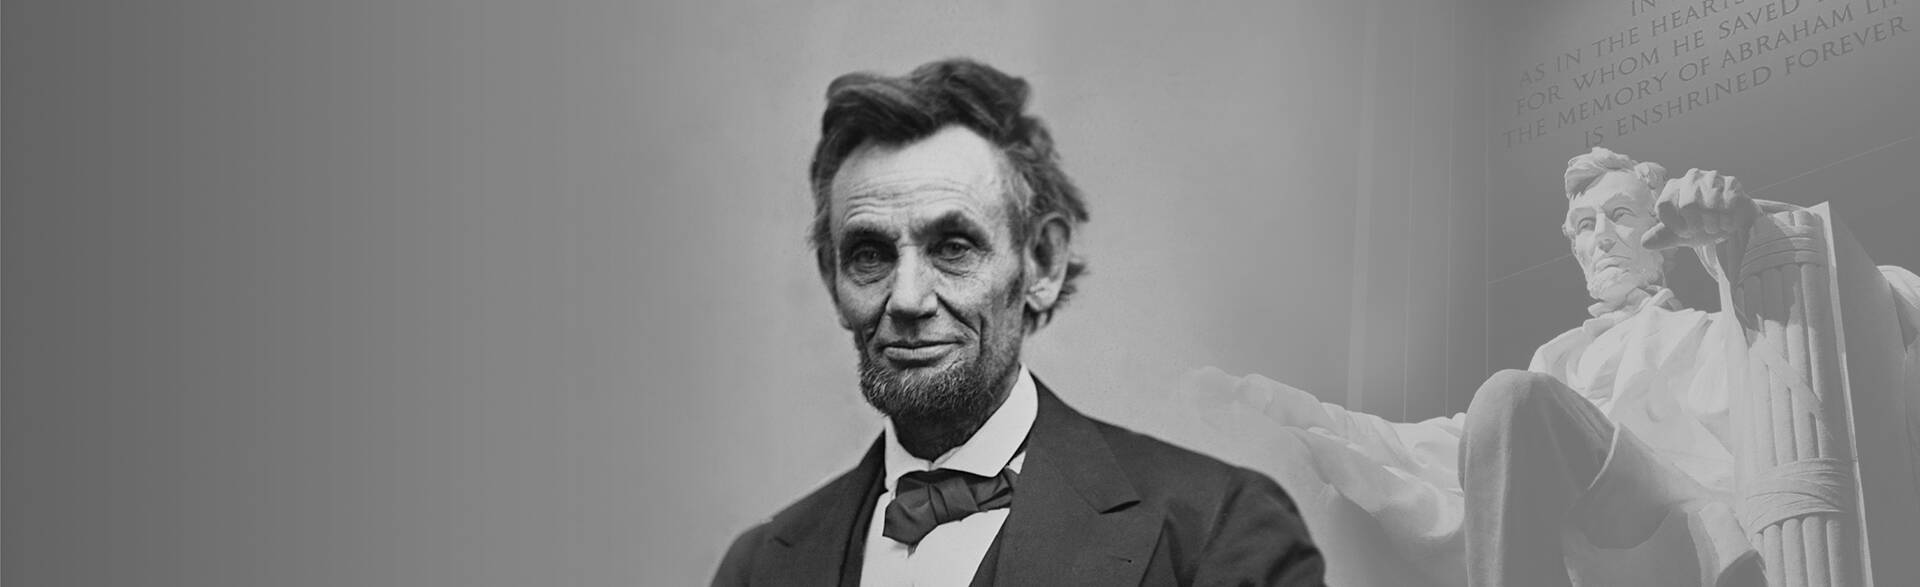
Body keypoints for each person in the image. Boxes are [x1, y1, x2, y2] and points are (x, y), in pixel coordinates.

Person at [711, 58, 1326, 587]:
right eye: (869, 255)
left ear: (1042, 263)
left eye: (953, 247)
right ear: (831, 279)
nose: (907, 298)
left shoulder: (1220, 531)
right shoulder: (760, 567)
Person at [1184, 147, 1920, 586]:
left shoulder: (1712, 329)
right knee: (1303, 463)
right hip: (1563, 526)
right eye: (1585, 226)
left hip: (1664, 531)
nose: (1601, 237)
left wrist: (1742, 236)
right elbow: (1418, 445)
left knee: (1511, 401)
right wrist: (1264, 404)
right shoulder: (1557, 361)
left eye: (1622, 216)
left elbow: (1880, 306)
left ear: (1660, 228)